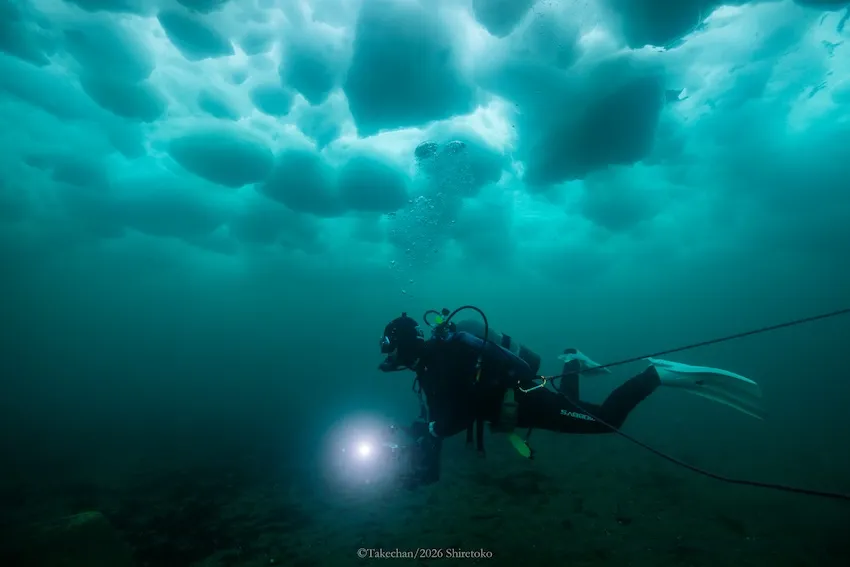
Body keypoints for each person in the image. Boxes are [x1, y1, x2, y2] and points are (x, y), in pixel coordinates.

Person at [378, 311, 763, 486]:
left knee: (604, 422)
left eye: (389, 348)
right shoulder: (434, 361)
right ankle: (573, 359)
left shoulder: (437, 362)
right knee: (568, 402)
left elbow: (455, 417)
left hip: (526, 404)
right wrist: (425, 428)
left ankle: (657, 374)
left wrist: (430, 429)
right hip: (522, 404)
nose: (388, 357)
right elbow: (452, 409)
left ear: (404, 345)